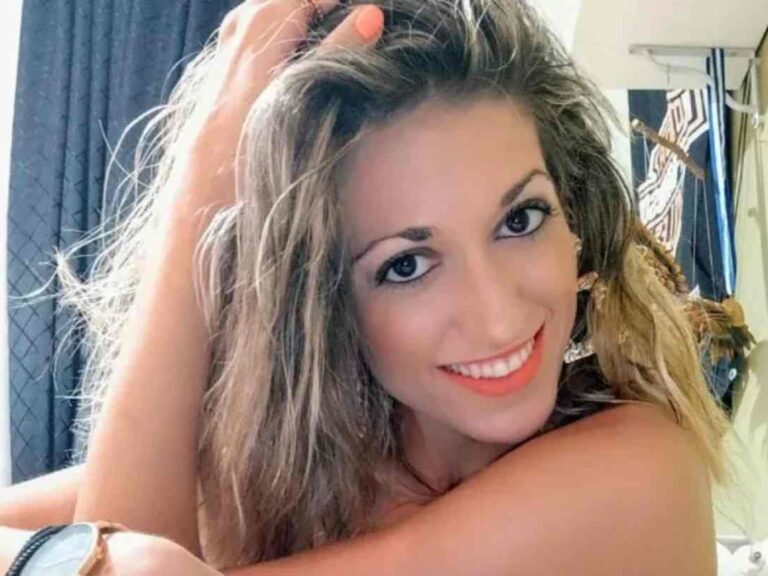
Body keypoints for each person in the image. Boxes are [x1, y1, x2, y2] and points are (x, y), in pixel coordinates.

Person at [0, 0, 737, 573]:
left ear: (575, 215)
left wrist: (196, 189)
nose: (495, 317)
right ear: (323, 304)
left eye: (520, 219)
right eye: (406, 265)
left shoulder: (637, 474)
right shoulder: (285, 471)